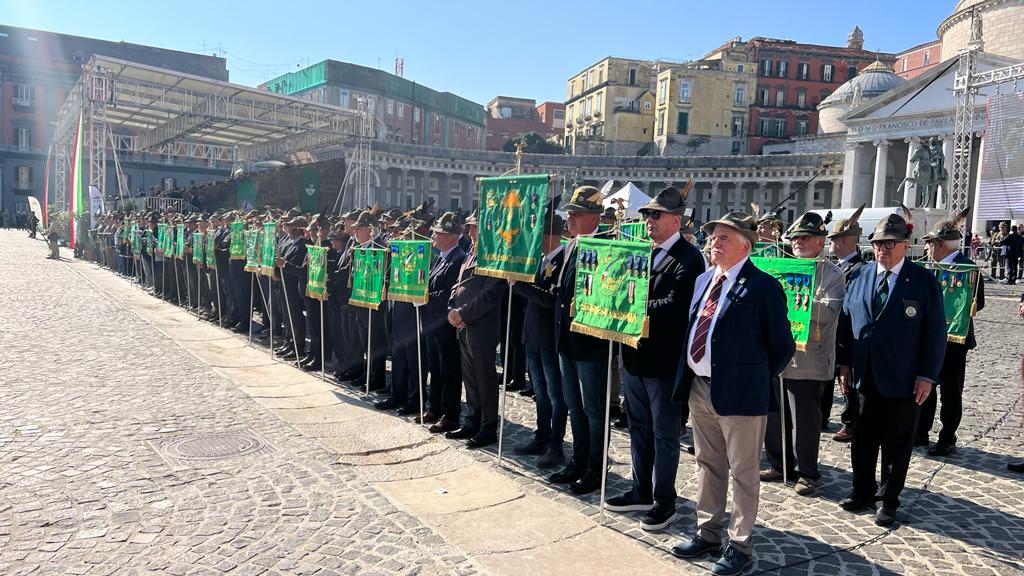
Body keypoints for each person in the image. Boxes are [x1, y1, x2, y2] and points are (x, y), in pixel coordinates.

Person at [670, 211, 794, 576]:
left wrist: (751, 377)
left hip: (740, 394)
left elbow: (781, 346)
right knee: (708, 464)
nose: (714, 243)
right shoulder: (706, 279)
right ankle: (707, 531)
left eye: (723, 238)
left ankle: (740, 545)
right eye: (712, 237)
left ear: (746, 245)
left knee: (743, 471)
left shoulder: (763, 286)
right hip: (699, 387)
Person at [836, 212, 946, 527]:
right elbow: (846, 323)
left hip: (905, 379)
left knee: (897, 444)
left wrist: (927, 375)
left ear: (905, 245)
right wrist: (844, 362)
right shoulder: (859, 275)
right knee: (863, 439)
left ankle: (888, 500)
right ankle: (862, 491)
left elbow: (935, 333)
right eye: (878, 243)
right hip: (864, 375)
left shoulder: (923, 280)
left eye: (889, 243)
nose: (882, 249)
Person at [604, 187, 704, 532]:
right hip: (633, 356)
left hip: (663, 361)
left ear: (676, 220)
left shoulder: (688, 257)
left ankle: (664, 501)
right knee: (639, 430)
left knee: (664, 434)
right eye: (647, 214)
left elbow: (677, 307)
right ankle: (640, 490)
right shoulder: (643, 252)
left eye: (656, 215)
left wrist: (632, 307)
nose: (649, 220)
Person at [761, 212, 846, 497]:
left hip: (809, 359)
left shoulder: (833, 274)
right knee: (774, 416)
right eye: (795, 237)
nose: (798, 242)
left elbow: (828, 311)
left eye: (805, 237)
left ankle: (807, 472)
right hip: (777, 356)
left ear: (821, 241)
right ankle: (778, 463)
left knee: (805, 422)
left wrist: (797, 302)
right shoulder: (780, 268)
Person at [550, 186, 613, 494]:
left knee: (594, 410)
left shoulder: (606, 246)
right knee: (574, 405)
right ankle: (578, 459)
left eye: (576, 214)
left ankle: (595, 468)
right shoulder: (572, 245)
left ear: (594, 217)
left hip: (591, 343)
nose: (570, 219)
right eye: (570, 213)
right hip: (567, 339)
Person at [916, 210, 985, 455]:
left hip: (955, 340)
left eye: (930, 243)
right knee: (926, 384)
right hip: (929, 337)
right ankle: (921, 432)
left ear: (942, 245)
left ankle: (947, 437)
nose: (927, 248)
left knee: (950, 391)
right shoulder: (929, 267)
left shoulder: (968, 268)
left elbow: (979, 301)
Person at [511, 211, 568, 468]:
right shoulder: (541, 260)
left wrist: (519, 285)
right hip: (533, 335)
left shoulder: (564, 260)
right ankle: (541, 436)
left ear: (547, 236)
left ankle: (555, 445)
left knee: (556, 396)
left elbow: (549, 300)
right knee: (540, 394)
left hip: (549, 338)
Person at [446, 214, 507, 448]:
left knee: (485, 379)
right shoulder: (471, 251)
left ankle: (489, 425)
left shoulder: (493, 255)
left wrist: (463, 313)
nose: (470, 233)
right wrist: (452, 308)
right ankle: (472, 419)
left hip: (481, 326)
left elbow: (491, 294)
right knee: (470, 379)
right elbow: (458, 285)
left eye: (474, 228)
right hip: (463, 326)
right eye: (469, 228)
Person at [421, 212, 468, 433]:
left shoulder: (458, 257)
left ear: (451, 236)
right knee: (435, 369)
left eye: (439, 234)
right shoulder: (442, 256)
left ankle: (451, 415)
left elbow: (451, 292)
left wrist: (426, 295)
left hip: (445, 325)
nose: (434, 237)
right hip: (433, 323)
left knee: (449, 371)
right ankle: (435, 408)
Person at [825, 206, 867, 443]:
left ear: (845, 241)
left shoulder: (858, 268)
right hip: (832, 328)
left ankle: (849, 422)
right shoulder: (840, 266)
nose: (831, 242)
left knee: (846, 377)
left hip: (847, 329)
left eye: (834, 239)